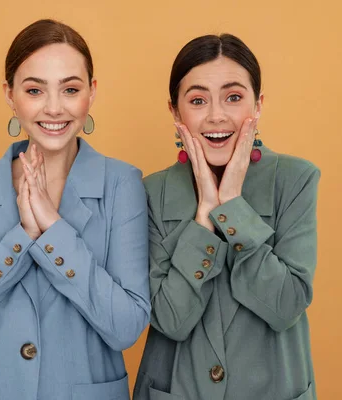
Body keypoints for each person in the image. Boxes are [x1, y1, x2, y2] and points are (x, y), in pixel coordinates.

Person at [0, 19, 150, 400]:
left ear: (91, 92)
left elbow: (126, 326)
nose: (54, 108)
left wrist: (53, 229)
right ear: (10, 94)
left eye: (70, 89)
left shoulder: (122, 184)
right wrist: (21, 237)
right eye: (35, 90)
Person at [134, 34, 320, 400]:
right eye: (198, 100)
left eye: (233, 97)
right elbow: (171, 320)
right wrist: (205, 216)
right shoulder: (150, 192)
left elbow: (285, 306)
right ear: (175, 111)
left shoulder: (296, 180)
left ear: (258, 104)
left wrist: (231, 204)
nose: (217, 116)